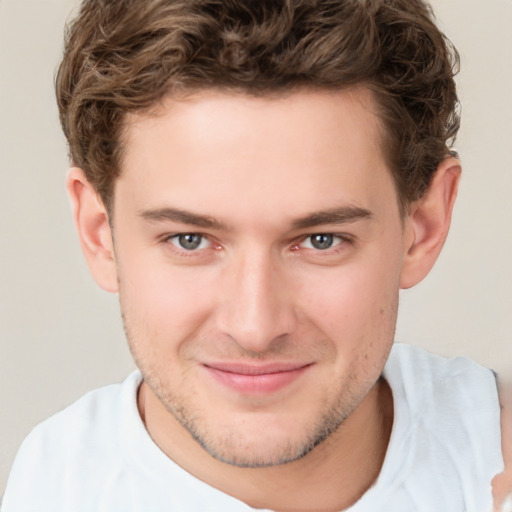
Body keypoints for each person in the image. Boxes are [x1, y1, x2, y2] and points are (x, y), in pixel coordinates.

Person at [2, 0, 509, 510]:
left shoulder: (494, 456)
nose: (255, 327)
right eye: (189, 240)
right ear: (99, 234)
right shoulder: (51, 486)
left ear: (422, 227)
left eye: (321, 240)